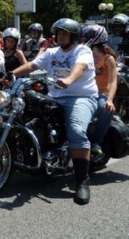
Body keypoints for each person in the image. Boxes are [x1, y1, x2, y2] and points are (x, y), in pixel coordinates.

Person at [11, 18, 98, 205]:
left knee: (76, 130)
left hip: (80, 97)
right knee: (24, 115)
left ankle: (82, 181)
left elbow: (79, 67)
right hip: (55, 96)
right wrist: (13, 74)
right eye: (58, 32)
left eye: (64, 33)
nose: (60, 35)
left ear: (74, 36)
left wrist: (69, 80)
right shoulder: (51, 51)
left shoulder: (82, 50)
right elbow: (33, 65)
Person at [81, 25, 118, 155]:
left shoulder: (108, 58)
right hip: (85, 92)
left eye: (86, 37)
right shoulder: (84, 54)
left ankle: (97, 141)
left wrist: (110, 100)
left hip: (102, 93)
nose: (84, 39)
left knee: (104, 109)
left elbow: (113, 81)